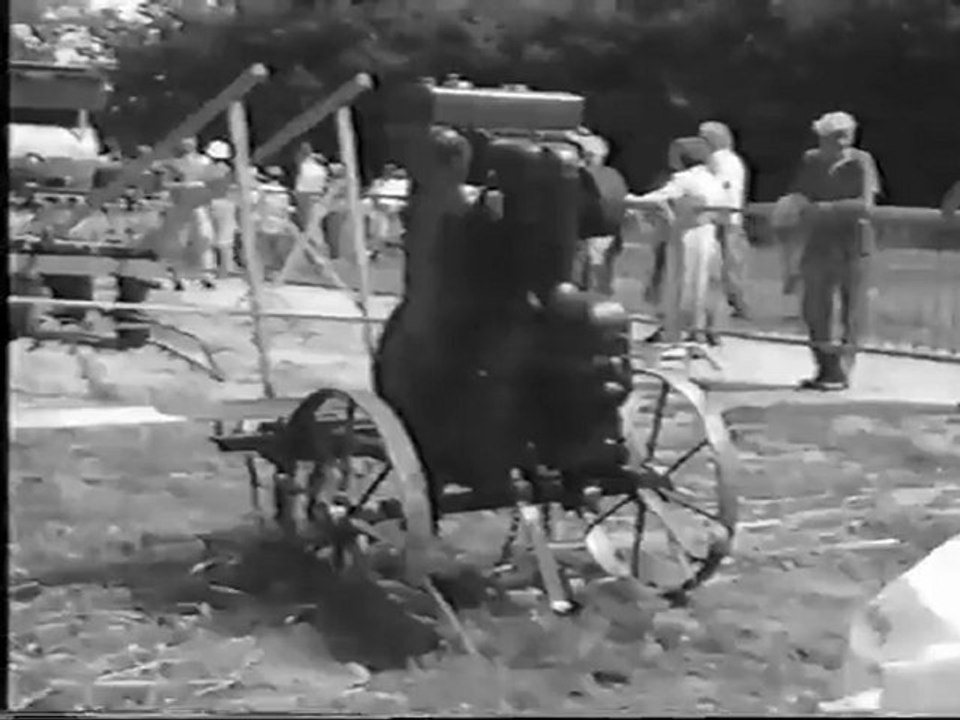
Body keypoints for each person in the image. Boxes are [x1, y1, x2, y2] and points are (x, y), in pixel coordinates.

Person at [778, 110, 882, 391]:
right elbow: (800, 193)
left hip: (854, 243)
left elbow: (865, 204)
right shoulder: (810, 160)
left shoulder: (861, 162)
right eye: (833, 136)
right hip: (818, 242)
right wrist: (791, 205)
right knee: (815, 307)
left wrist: (824, 209)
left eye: (845, 135)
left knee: (851, 309)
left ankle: (842, 370)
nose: (841, 142)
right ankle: (824, 366)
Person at [628, 136, 727, 344]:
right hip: (708, 232)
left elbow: (659, 197)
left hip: (687, 234)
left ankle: (676, 332)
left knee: (681, 281)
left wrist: (630, 199)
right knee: (701, 282)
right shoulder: (712, 178)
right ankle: (696, 330)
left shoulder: (684, 179)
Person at [699, 121, 751, 319]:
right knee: (730, 264)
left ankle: (739, 304)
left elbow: (720, 187)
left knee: (728, 264)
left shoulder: (720, 160)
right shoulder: (731, 159)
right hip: (728, 217)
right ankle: (736, 304)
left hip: (723, 218)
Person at [571, 129, 628, 297]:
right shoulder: (613, 174)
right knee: (600, 271)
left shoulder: (584, 175)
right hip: (608, 232)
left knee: (587, 271)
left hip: (587, 231)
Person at [204, 139, 238, 279]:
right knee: (225, 238)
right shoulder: (230, 170)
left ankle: (214, 268)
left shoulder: (210, 169)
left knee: (211, 238)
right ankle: (225, 269)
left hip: (212, 202)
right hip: (227, 202)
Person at [255, 166, 294, 281]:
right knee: (277, 248)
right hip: (279, 221)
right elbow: (287, 209)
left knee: (264, 248)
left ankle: (265, 272)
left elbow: (256, 204)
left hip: (264, 220)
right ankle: (275, 272)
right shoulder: (285, 191)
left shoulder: (261, 189)